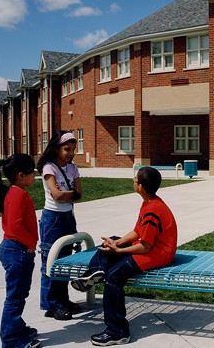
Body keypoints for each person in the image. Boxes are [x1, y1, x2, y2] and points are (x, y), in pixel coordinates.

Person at [71, 166, 177, 346]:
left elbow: (145, 247)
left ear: (141, 186)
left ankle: (117, 332)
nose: (133, 181)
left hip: (159, 253)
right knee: (108, 242)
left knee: (114, 277)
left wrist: (119, 251)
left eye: (135, 179)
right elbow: (137, 231)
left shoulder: (153, 209)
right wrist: (117, 244)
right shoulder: (149, 202)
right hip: (150, 247)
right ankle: (95, 272)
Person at [0, 153, 41, 348]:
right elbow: (16, 226)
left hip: (12, 248)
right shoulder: (19, 194)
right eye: (32, 172)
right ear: (21, 175)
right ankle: (11, 341)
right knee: (15, 298)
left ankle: (16, 327)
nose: (34, 176)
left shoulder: (12, 192)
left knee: (18, 294)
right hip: (17, 250)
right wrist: (31, 244)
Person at [37, 131, 83, 321]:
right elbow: (56, 195)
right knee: (50, 261)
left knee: (64, 261)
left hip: (68, 217)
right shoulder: (49, 168)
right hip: (53, 218)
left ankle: (63, 299)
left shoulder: (72, 168)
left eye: (73, 149)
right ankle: (51, 304)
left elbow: (79, 193)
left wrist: (69, 193)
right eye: (67, 149)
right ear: (56, 148)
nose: (70, 153)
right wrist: (70, 193)